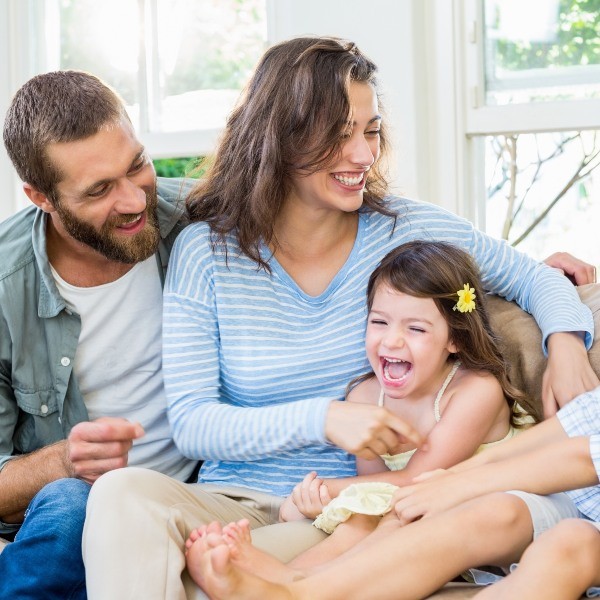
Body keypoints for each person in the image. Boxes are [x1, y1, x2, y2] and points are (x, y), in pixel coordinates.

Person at [81, 36, 598, 598]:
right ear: (278, 137)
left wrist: (567, 345)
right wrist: (324, 418)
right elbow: (192, 422)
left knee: (206, 582)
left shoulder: (410, 230)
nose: (363, 154)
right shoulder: (207, 252)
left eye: (371, 131)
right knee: (117, 495)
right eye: (338, 135)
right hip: (232, 500)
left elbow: (534, 277)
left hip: (342, 514)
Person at [183, 239, 538, 581]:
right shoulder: (365, 398)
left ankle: (290, 580)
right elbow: (375, 490)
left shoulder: (475, 391)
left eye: (415, 328)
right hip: (418, 509)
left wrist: (324, 489)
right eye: (379, 322)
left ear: (455, 339)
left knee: (395, 519)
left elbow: (413, 481)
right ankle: (285, 579)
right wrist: (321, 501)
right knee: (366, 519)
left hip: (486, 513)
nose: (391, 340)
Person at [0, 70, 196, 599]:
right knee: (71, 503)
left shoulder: (202, 222)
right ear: (40, 196)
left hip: (199, 493)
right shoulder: (3, 287)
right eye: (100, 189)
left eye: (137, 165)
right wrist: (64, 460)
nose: (135, 200)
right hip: (79, 510)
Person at [185, 384, 600, 600]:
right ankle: (298, 579)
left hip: (585, 527)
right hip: (570, 499)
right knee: (489, 509)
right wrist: (448, 481)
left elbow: (587, 459)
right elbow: (542, 443)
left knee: (572, 543)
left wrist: (457, 483)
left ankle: (297, 594)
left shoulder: (476, 391)